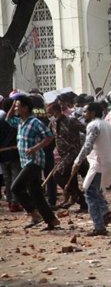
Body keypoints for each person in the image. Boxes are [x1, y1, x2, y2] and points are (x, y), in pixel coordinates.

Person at [6, 95, 60, 230]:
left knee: (16, 188)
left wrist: (35, 148)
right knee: (36, 194)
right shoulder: (20, 122)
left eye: (19, 106)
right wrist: (14, 104)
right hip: (25, 162)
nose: (16, 109)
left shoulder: (34, 122)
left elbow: (48, 136)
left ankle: (34, 214)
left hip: (34, 161)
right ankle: (51, 221)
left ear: (26, 108)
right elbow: (8, 118)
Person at [71, 102, 111, 236]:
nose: (83, 115)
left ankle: (99, 226)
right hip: (109, 162)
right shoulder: (109, 126)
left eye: (85, 112)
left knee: (89, 193)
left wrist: (77, 161)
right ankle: (105, 213)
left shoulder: (93, 125)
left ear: (93, 113)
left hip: (98, 164)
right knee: (96, 191)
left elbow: (88, 145)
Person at [47, 102, 88, 211]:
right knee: (71, 178)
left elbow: (86, 130)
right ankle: (82, 202)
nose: (49, 114)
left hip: (74, 153)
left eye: (50, 112)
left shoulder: (71, 120)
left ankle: (76, 196)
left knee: (57, 175)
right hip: (62, 155)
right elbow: (52, 138)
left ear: (56, 111)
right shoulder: (52, 123)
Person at [0, 98, 21, 212]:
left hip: (3, 154)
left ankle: (10, 201)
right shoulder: (16, 121)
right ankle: (14, 202)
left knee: (7, 179)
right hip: (14, 153)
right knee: (15, 178)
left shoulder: (1, 120)